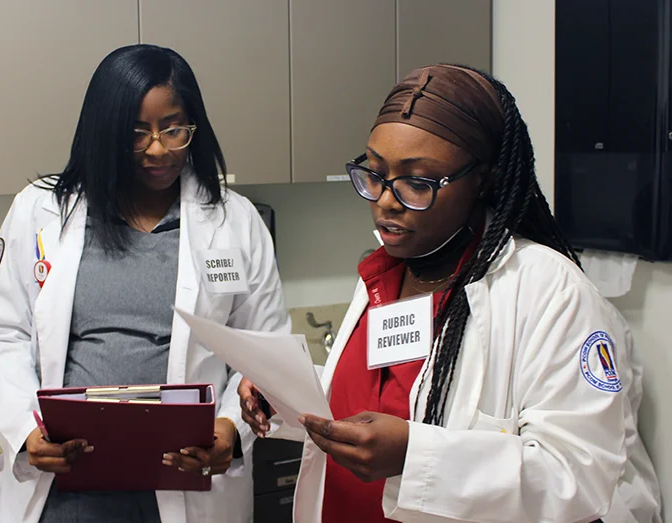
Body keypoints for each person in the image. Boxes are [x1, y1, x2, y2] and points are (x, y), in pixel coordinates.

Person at [239, 64, 661, 522]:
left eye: (417, 183)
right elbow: (381, 392)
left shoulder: (550, 292)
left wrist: (414, 457)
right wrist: (282, 394)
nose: (384, 200)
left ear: (484, 179)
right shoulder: (385, 270)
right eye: (375, 173)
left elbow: (578, 476)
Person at [0, 44, 290, 523]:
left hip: (188, 485)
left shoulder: (234, 222)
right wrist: (23, 429)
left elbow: (263, 352)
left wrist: (228, 428)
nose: (157, 149)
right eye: (136, 133)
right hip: (69, 493)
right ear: (103, 133)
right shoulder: (41, 212)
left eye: (173, 129)